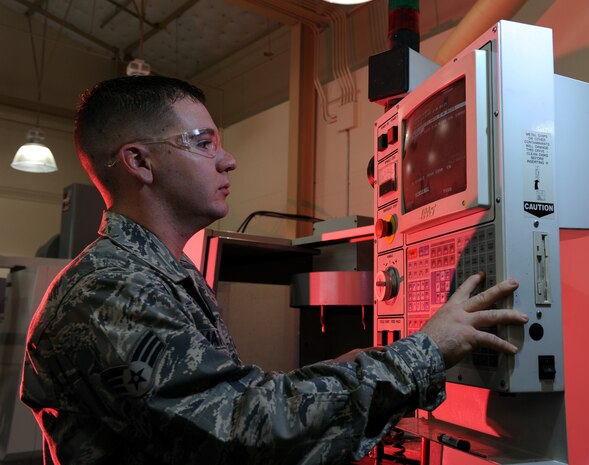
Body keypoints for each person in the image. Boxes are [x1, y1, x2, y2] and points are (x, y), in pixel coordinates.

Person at [20, 75, 528, 465]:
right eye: (202, 142)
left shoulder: (164, 274)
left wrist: (369, 363)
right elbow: (242, 427)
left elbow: (227, 397)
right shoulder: (110, 291)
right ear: (139, 162)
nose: (228, 160)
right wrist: (425, 352)